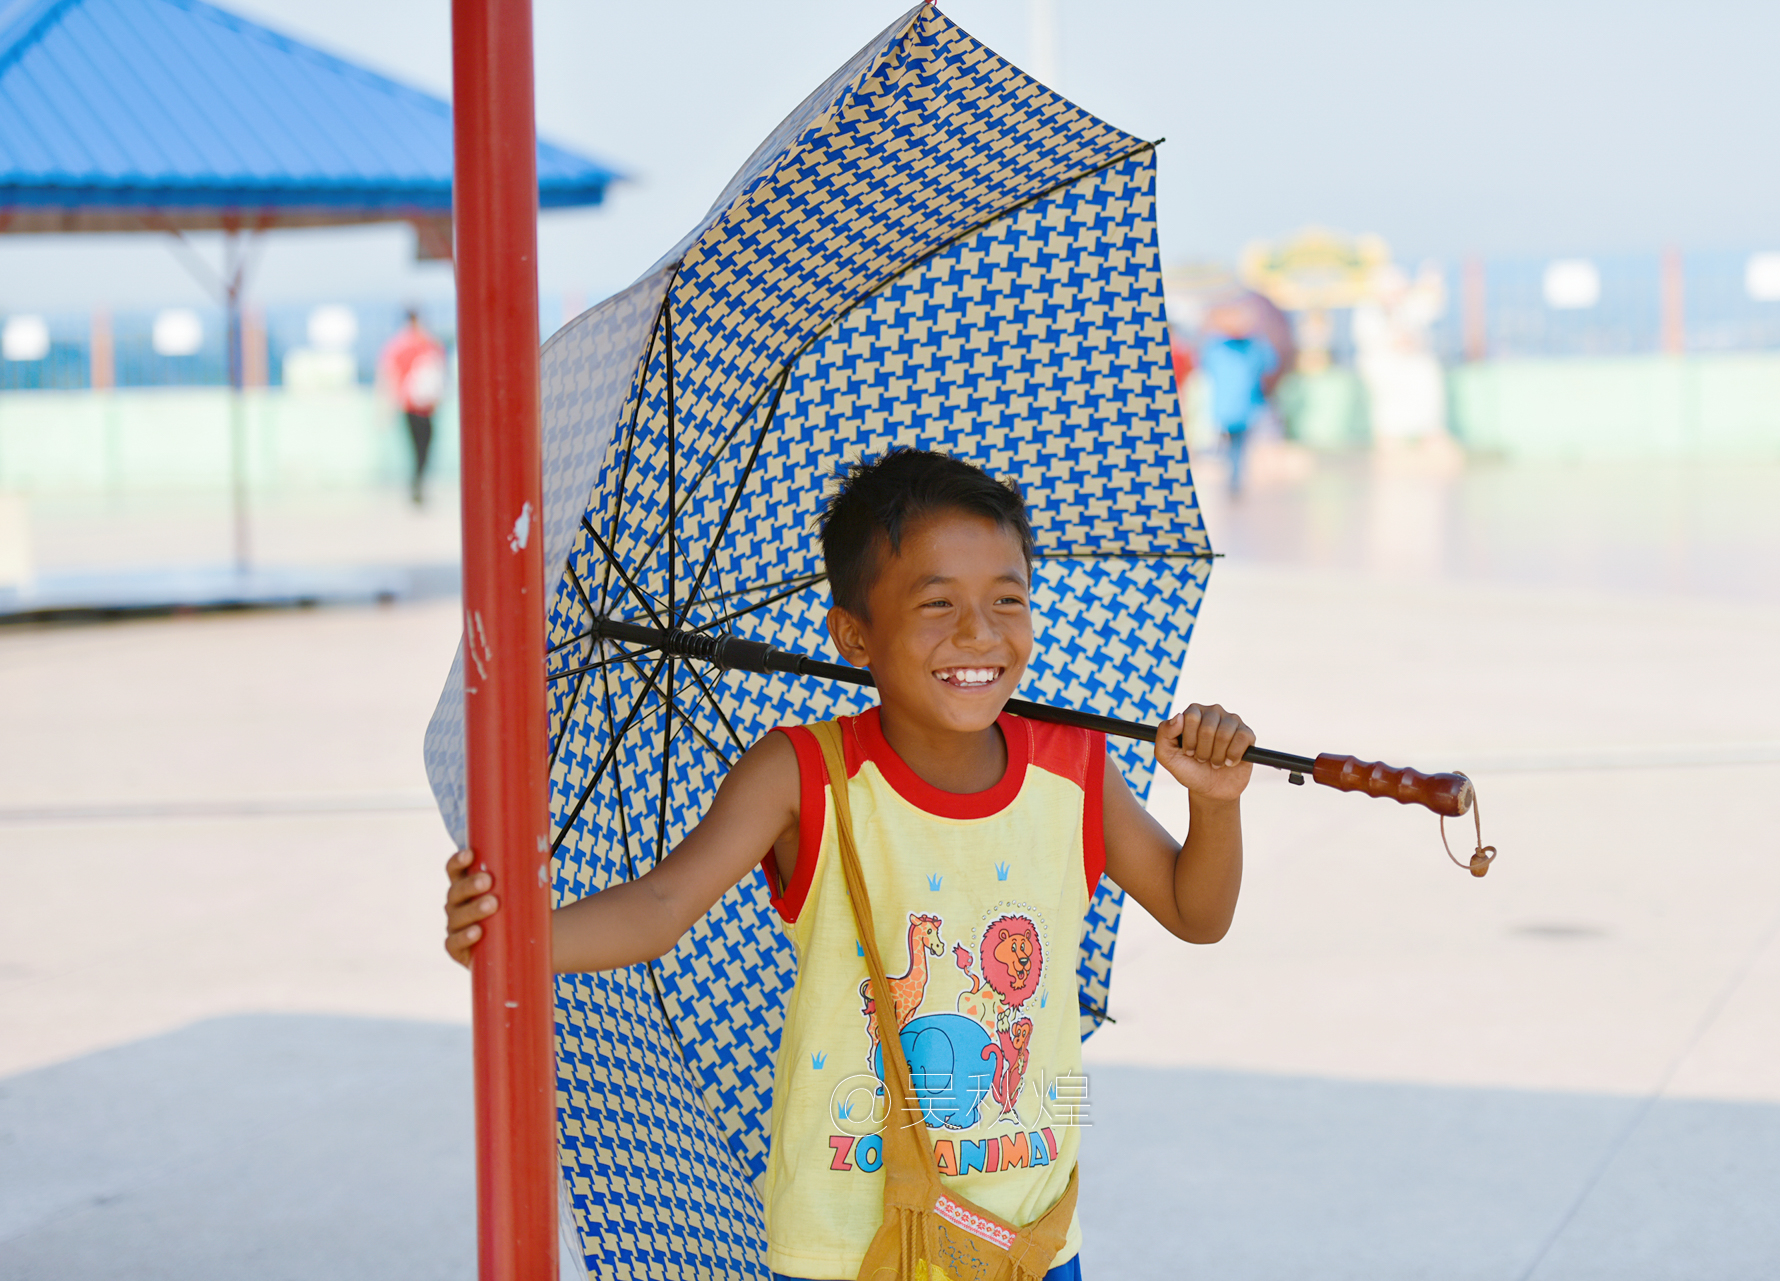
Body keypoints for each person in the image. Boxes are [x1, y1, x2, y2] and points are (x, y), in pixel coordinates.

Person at [444, 449, 1255, 1281]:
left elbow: (1198, 913)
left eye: (1006, 600)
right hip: (845, 1248)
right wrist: (514, 935)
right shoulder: (801, 775)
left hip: (1027, 1238)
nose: (979, 633)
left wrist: (1215, 802)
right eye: (936, 603)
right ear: (853, 634)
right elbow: (660, 904)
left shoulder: (1074, 768)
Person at [1199, 303, 1278, 496]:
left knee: (1234, 445)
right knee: (1237, 445)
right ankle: (1234, 478)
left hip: (1229, 407)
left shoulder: (1217, 346)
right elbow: (1269, 363)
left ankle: (1233, 478)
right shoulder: (1250, 347)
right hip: (1242, 406)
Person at [378, 309, 446, 504]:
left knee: (416, 448)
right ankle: (418, 484)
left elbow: (389, 375)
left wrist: (386, 407)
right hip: (425, 406)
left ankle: (417, 484)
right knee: (424, 448)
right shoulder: (429, 342)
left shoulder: (398, 345)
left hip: (408, 406)